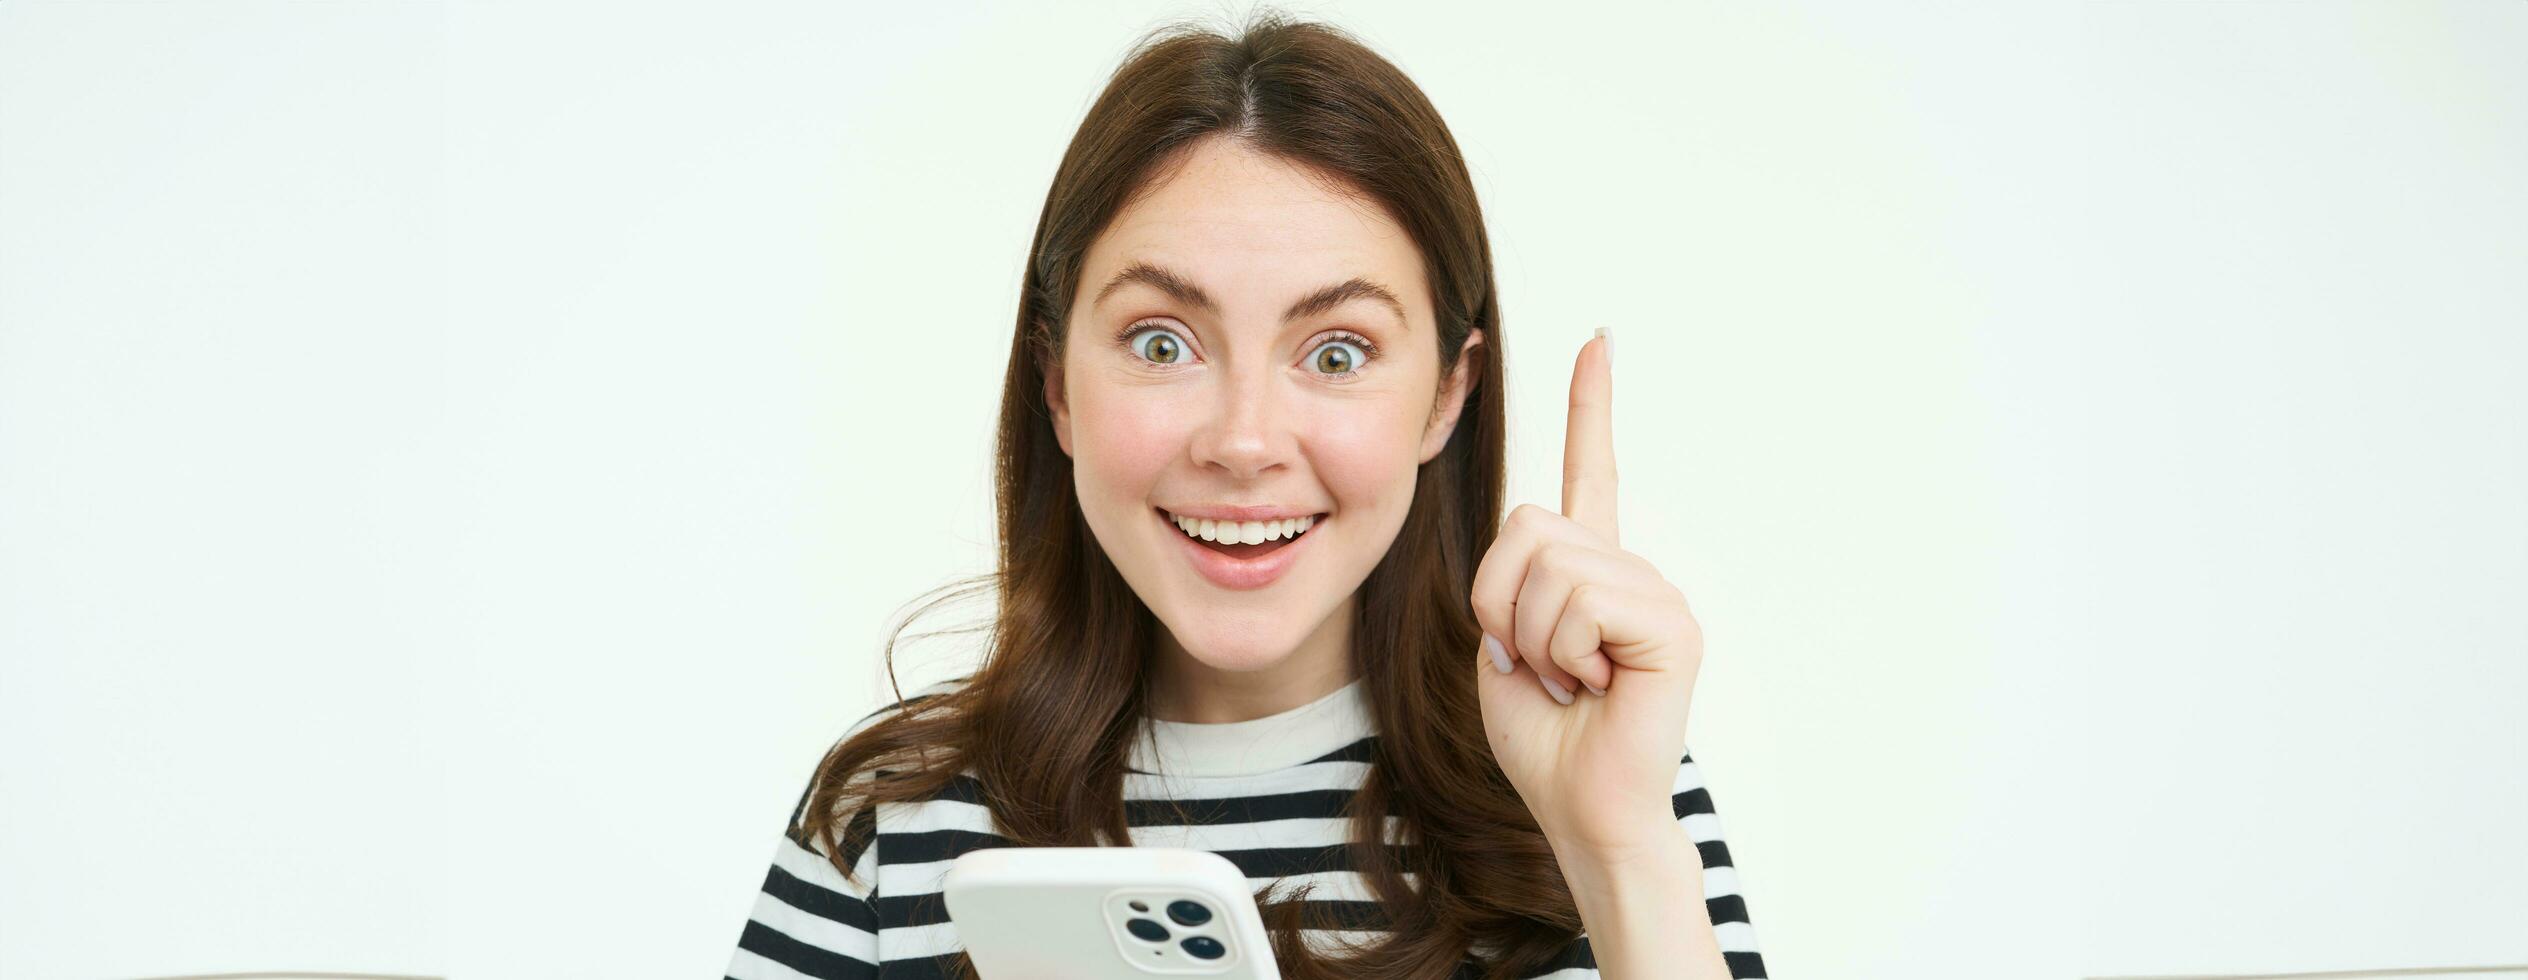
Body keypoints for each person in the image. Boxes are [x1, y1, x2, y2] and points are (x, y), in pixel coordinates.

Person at [726, 12, 1766, 979]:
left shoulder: (1604, 785)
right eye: (1161, 341)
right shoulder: (889, 827)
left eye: (1337, 350)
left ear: (1446, 395)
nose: (1242, 441)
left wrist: (1619, 849)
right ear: (1056, 385)